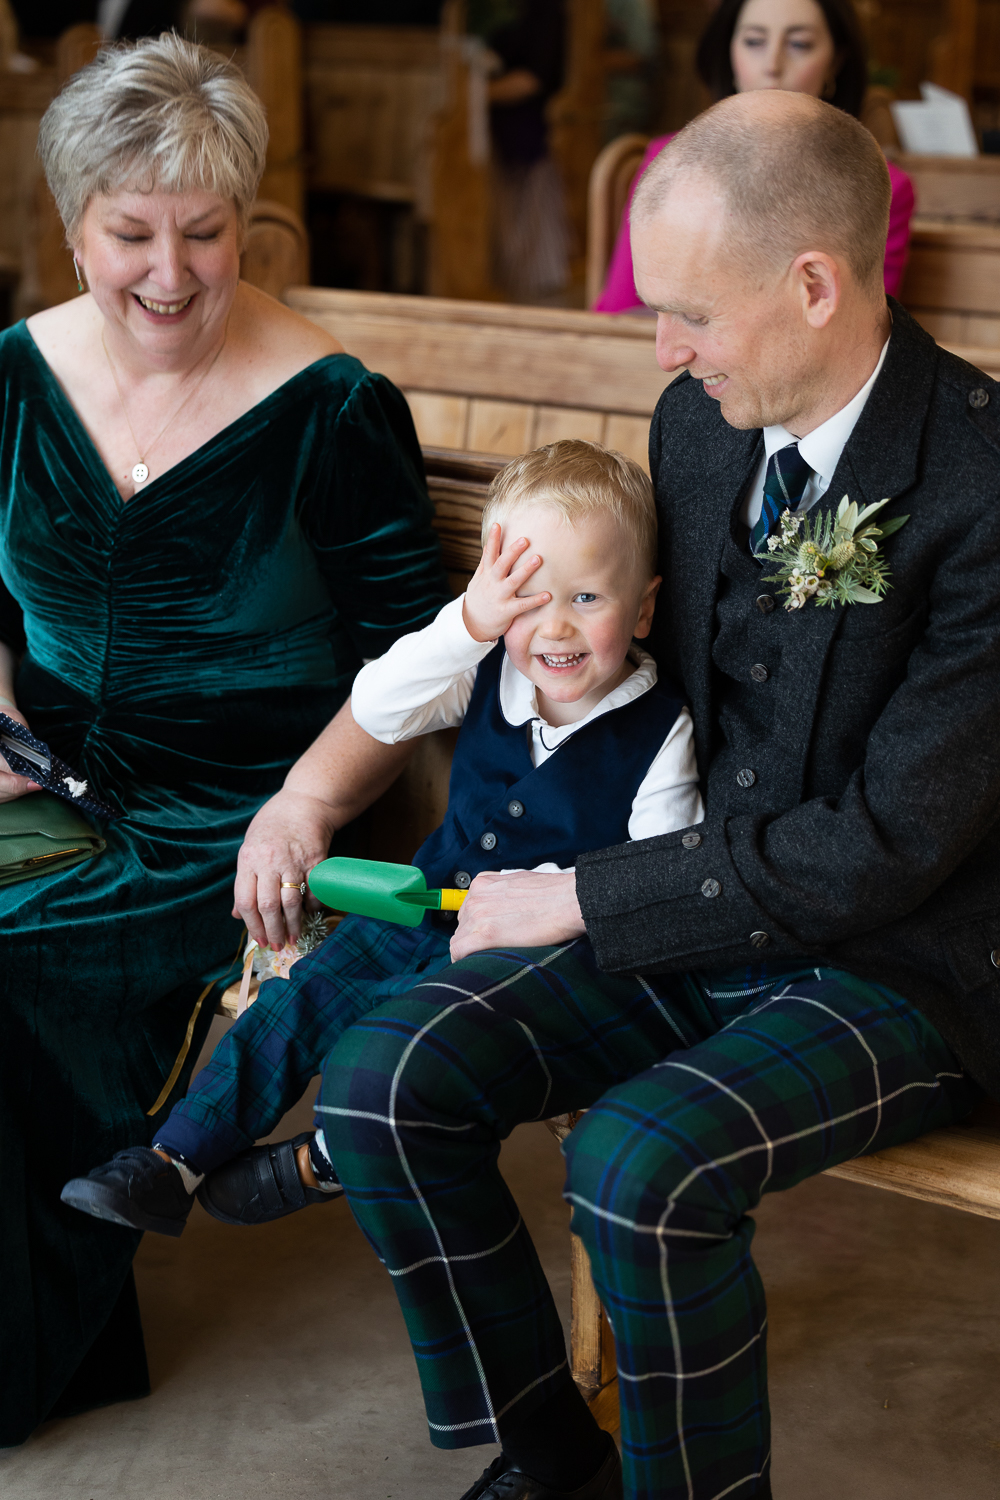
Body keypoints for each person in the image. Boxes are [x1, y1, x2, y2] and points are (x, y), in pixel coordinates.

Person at [299, 92, 1000, 1500]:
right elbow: (648, 677)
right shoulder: (700, 421)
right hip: (687, 900)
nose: (662, 348)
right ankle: (555, 1455)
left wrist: (581, 896)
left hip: (903, 959)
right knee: (380, 1083)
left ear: (814, 286)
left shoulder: (982, 481)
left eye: (688, 313)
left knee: (639, 1166)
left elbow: (889, 843)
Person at [0, 33, 451, 1447]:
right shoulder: (12, 374)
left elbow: (420, 670)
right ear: (72, 227)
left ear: (246, 221)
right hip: (44, 782)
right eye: (130, 233)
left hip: (232, 819)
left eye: (204, 231)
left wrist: (306, 804)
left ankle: (35, 1345)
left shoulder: (332, 408)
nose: (170, 271)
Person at [60, 441, 702, 1281]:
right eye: (526, 598)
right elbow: (381, 703)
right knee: (304, 995)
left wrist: (545, 899)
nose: (554, 627)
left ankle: (331, 1154)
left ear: (644, 608)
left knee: (398, 1030)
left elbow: (653, 875)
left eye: (587, 598)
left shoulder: (662, 730)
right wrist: (468, 624)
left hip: (528, 957)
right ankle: (172, 1161)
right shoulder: (486, 670)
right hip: (417, 904)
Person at [594, 0, 915, 313]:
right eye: (754, 41)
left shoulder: (879, 186)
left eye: (799, 45)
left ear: (835, 62)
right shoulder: (670, 160)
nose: (772, 65)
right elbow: (619, 313)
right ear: (729, 52)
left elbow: (857, 329)